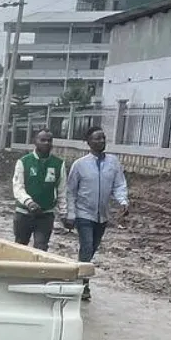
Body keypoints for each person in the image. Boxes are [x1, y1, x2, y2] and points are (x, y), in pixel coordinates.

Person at [64, 125, 128, 300]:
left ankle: (77, 274)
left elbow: (119, 184)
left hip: (102, 215)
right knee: (86, 245)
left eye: (103, 138)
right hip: (83, 214)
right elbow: (70, 191)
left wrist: (123, 201)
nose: (101, 141)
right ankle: (83, 285)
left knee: (92, 248)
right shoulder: (80, 165)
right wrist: (70, 214)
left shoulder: (113, 162)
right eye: (97, 138)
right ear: (88, 142)